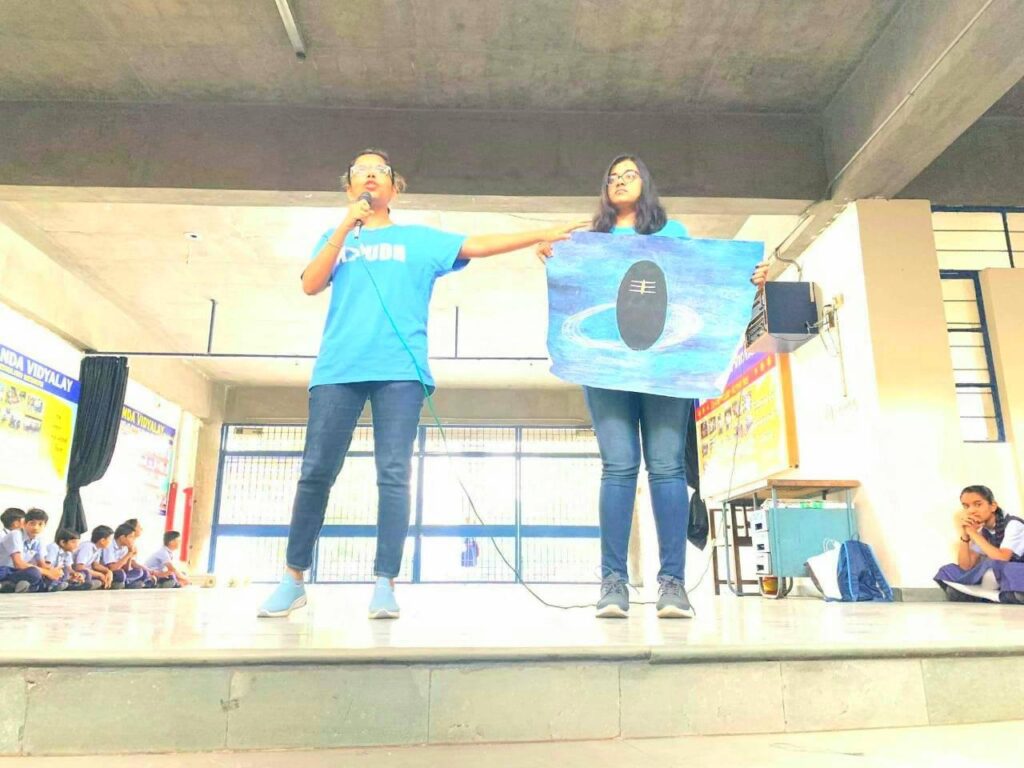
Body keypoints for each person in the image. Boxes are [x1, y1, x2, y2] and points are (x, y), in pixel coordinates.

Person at [258, 148, 583, 619]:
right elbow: (310, 284)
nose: (370, 176)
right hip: (337, 370)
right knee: (315, 473)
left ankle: (384, 583)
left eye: (380, 171)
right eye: (360, 172)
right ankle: (293, 579)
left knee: (394, 473)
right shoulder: (336, 236)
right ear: (349, 187)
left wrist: (543, 232)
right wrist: (344, 228)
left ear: (394, 186)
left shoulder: (418, 240)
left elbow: (479, 243)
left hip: (400, 373)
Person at [538, 154, 768, 619]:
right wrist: (550, 252)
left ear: (646, 184)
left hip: (668, 366)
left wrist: (749, 279)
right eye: (613, 177)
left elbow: (707, 281)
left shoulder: (673, 235)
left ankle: (673, 585)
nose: (620, 181)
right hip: (604, 367)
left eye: (630, 175)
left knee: (666, 468)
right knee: (618, 467)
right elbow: (571, 281)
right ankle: (613, 582)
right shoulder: (588, 239)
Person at [935, 485, 1024, 603]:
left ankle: (979, 595)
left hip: (1016, 573)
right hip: (999, 579)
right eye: (966, 506)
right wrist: (965, 535)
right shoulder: (983, 531)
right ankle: (998, 596)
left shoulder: (1014, 524)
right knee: (949, 570)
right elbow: (965, 566)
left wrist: (973, 533)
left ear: (993, 506)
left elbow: (1002, 558)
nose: (971, 510)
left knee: (1007, 568)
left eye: (978, 504)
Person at [0, 508, 62, 593]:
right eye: (32, 523)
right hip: (4, 570)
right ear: (24, 523)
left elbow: (42, 564)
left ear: (45, 526)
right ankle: (9, 585)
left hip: (17, 572)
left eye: (40, 524)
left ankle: (15, 585)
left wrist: (54, 571)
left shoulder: (38, 540)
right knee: (34, 573)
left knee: (54, 573)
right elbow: (18, 564)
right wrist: (48, 573)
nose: (36, 527)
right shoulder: (15, 534)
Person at [103, 523, 154, 589]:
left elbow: (126, 569)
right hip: (109, 572)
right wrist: (129, 554)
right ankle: (129, 583)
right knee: (120, 575)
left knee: (142, 572)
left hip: (120, 571)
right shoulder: (110, 545)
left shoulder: (124, 547)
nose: (133, 540)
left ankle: (126, 583)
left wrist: (130, 555)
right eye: (131, 537)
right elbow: (112, 568)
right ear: (122, 537)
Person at [75, 525, 116, 590]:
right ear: (102, 540)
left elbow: (95, 565)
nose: (111, 542)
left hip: (87, 572)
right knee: (86, 574)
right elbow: (79, 567)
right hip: (77, 572)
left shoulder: (98, 548)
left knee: (104, 577)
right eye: (110, 539)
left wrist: (108, 571)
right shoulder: (88, 547)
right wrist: (99, 575)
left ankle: (92, 583)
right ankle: (77, 585)